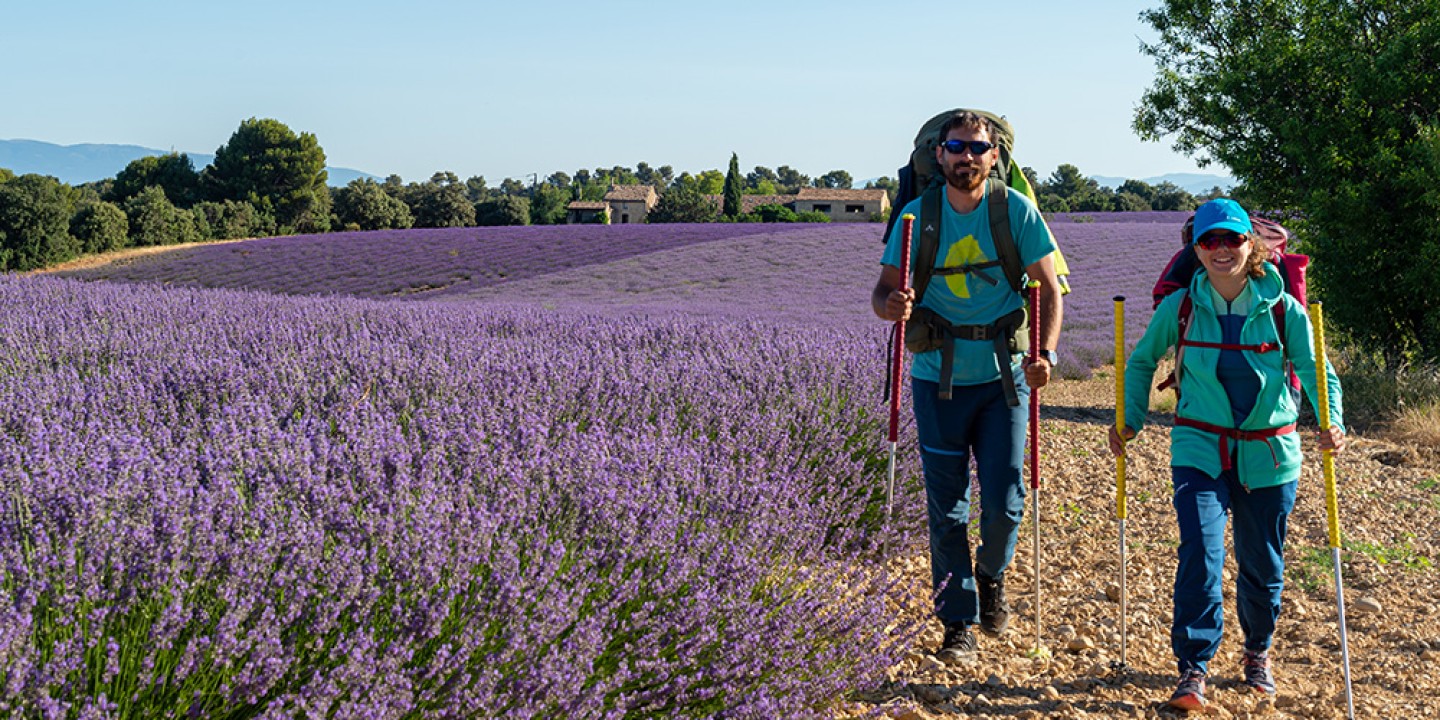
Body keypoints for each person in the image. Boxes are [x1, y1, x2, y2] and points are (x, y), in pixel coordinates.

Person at [1107, 198, 1346, 710]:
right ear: (1197, 248)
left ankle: (1257, 652)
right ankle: (1193, 668)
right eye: (1210, 241)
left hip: (1270, 454)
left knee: (1262, 565)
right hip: (1200, 448)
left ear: (1251, 245)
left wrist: (1333, 423)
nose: (1221, 249)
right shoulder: (1183, 307)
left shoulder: (1284, 308)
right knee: (1201, 554)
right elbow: (1142, 361)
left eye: (1232, 239)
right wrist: (1130, 419)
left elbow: (1319, 371)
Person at [872, 111, 1063, 661]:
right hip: (936, 379)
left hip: (1004, 379)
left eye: (978, 148)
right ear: (939, 155)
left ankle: (990, 575)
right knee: (947, 509)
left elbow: (1049, 288)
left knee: (1004, 505)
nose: (966, 157)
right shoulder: (915, 216)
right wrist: (892, 307)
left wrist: (1045, 353)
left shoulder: (1015, 211)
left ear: (995, 155)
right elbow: (882, 293)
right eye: (956, 147)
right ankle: (957, 620)